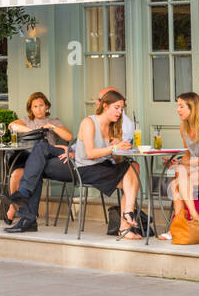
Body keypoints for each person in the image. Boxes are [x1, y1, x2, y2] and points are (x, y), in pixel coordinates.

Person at [60, 89, 142, 238]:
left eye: (122, 109)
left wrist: (119, 150)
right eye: (116, 108)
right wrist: (114, 148)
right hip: (86, 168)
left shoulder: (114, 126)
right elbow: (90, 154)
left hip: (103, 165)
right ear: (105, 106)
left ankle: (127, 216)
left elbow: (116, 160)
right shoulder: (89, 122)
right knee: (131, 182)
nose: (119, 112)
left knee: (134, 167)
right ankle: (126, 224)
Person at [2, 92, 77, 233]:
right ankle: (20, 209)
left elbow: (69, 136)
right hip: (29, 159)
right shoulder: (26, 120)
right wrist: (34, 131)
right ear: (31, 109)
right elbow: (12, 126)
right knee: (17, 174)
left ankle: (18, 205)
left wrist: (51, 127)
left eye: (41, 105)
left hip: (49, 157)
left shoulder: (54, 121)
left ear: (47, 106)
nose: (38, 109)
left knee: (39, 154)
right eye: (35, 106)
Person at [160, 92, 199, 238]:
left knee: (176, 183)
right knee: (179, 175)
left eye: (181, 106)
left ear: (193, 108)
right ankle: (192, 219)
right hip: (195, 166)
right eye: (177, 106)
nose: (178, 110)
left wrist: (184, 163)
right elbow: (187, 153)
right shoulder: (183, 127)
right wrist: (181, 162)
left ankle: (178, 226)